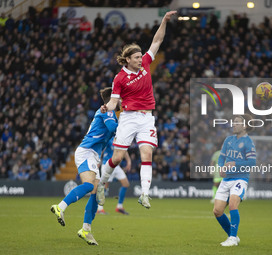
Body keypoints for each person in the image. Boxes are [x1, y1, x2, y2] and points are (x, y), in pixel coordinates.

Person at [97, 10, 177, 209]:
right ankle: (101, 184)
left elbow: (157, 41)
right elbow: (115, 101)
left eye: (142, 56)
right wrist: (107, 108)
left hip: (147, 118)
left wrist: (164, 21)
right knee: (116, 158)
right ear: (128, 60)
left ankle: (145, 194)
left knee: (147, 154)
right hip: (129, 118)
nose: (142, 59)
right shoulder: (120, 78)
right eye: (137, 57)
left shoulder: (147, 64)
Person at [50, 87, 119, 245]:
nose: (121, 101)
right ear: (113, 99)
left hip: (92, 155)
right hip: (86, 152)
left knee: (97, 191)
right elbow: (113, 129)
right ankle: (60, 207)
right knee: (89, 186)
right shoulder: (107, 111)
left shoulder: (110, 114)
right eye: (119, 98)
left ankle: (85, 230)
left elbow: (105, 137)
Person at [213, 114, 256, 247]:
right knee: (217, 211)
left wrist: (235, 165)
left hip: (240, 178)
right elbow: (222, 157)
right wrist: (221, 167)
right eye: (234, 122)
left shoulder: (248, 142)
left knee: (232, 204)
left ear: (245, 126)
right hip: (226, 179)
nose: (233, 124)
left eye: (237, 122)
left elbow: (252, 163)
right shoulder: (228, 140)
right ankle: (234, 236)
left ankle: (231, 238)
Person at [97, 137, 131, 215]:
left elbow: (124, 150)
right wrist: (98, 161)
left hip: (116, 166)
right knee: (104, 187)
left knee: (126, 184)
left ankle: (119, 207)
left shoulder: (120, 138)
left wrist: (129, 161)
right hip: (107, 164)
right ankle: (99, 208)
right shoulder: (108, 138)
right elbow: (101, 150)